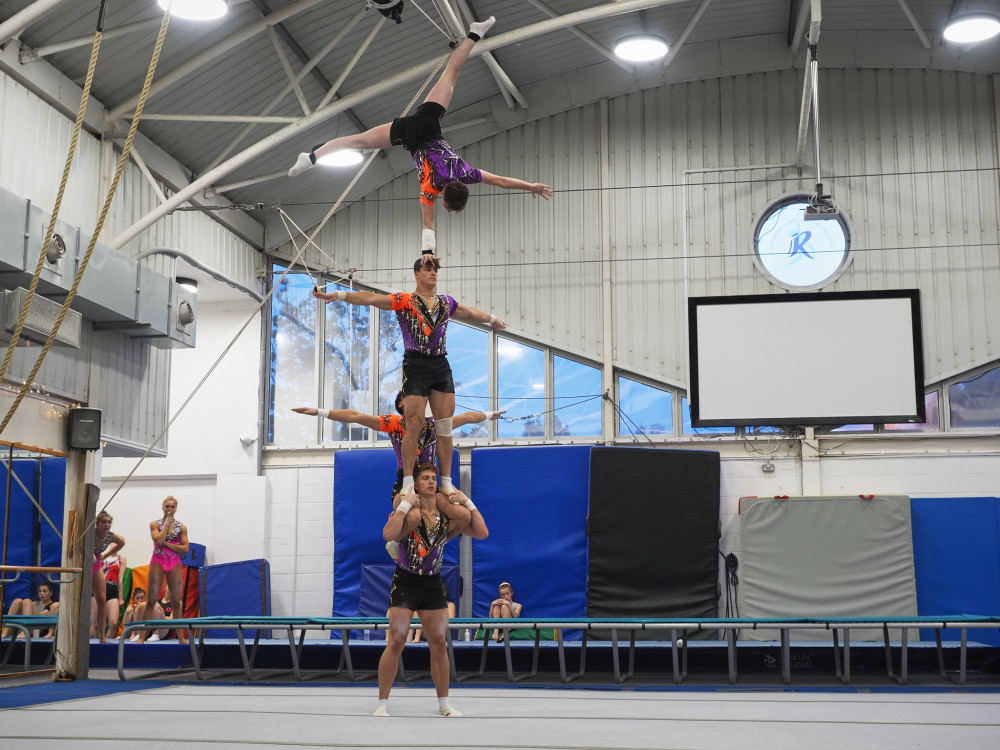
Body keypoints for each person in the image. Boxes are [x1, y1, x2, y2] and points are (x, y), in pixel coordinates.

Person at [288, 16, 552, 256]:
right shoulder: (430, 188)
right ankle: (311, 158)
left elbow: (503, 181)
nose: (445, 209)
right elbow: (428, 223)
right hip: (408, 136)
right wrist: (428, 254)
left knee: (451, 73)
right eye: (448, 208)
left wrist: (531, 186)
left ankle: (474, 35)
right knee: (357, 141)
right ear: (445, 201)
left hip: (429, 123)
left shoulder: (467, 174)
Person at [313, 256, 507, 503]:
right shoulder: (405, 300)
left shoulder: (446, 302)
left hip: (440, 363)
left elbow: (469, 312)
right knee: (413, 423)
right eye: (428, 268)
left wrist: (492, 319)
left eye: (436, 269)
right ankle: (406, 482)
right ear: (417, 273)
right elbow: (372, 299)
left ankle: (446, 483)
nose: (433, 272)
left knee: (444, 425)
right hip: (416, 363)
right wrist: (338, 295)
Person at [292, 395, 504, 556]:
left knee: (462, 516)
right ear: (403, 404)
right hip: (407, 482)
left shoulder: (432, 424)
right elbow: (356, 416)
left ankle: (437, 542)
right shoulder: (395, 423)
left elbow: (466, 418)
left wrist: (489, 415)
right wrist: (319, 411)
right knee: (412, 516)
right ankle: (395, 543)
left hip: (430, 482)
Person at [374, 463, 487, 717]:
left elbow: (482, 532)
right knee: (397, 640)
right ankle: (382, 702)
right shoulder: (410, 510)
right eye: (425, 478)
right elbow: (386, 533)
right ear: (416, 484)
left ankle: (443, 704)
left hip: (432, 581)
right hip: (406, 580)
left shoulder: (446, 515)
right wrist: (404, 506)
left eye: (434, 478)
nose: (431, 481)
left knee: (438, 642)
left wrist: (467, 502)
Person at [135, 496, 189, 644]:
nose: (170, 509)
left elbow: (185, 548)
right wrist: (166, 525)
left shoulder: (181, 527)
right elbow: (157, 540)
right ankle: (141, 636)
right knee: (151, 600)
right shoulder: (155, 524)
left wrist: (166, 544)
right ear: (163, 508)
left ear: (176, 508)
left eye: (172, 507)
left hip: (174, 562)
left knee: (176, 601)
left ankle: (181, 637)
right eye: (167, 507)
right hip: (158, 561)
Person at [92, 510, 125, 643]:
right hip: (83, 564)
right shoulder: (90, 533)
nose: (106, 525)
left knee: (101, 599)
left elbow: (122, 543)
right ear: (97, 523)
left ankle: (102, 637)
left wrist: (105, 555)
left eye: (109, 522)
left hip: (95, 566)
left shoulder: (110, 536)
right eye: (103, 522)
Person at [91, 549, 126, 641]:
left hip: (112, 588)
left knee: (114, 623)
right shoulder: (100, 556)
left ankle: (104, 644)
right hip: (99, 587)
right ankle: (90, 646)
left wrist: (121, 598)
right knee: (95, 623)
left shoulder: (121, 558)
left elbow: (120, 579)